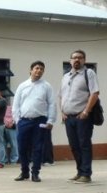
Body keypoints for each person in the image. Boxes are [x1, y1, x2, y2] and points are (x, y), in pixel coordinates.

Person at [12, 60, 57, 183]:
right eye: (37, 68)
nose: (39, 71)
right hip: (24, 121)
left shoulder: (46, 86)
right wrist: (17, 120)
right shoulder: (22, 86)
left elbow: (52, 104)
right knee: (22, 147)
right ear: (31, 70)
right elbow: (16, 105)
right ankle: (24, 171)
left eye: (42, 69)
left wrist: (51, 120)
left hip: (40, 121)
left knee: (38, 148)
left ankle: (35, 173)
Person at [60, 49, 100, 184]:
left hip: (82, 117)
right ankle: (79, 171)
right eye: (74, 58)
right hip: (68, 118)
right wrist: (62, 112)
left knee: (84, 145)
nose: (77, 60)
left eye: (80, 57)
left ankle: (86, 174)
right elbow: (62, 96)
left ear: (84, 60)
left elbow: (94, 93)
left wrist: (86, 112)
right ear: (70, 60)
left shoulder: (89, 73)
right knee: (74, 146)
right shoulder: (65, 76)